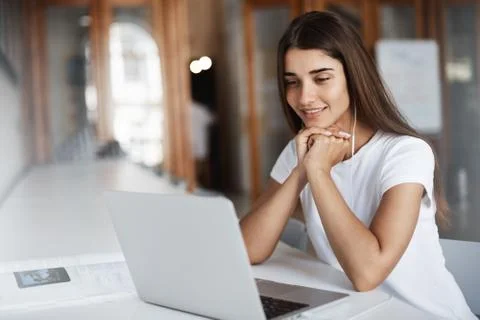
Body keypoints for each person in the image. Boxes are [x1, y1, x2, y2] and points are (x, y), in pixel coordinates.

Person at [239, 11, 476, 319]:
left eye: (321, 78)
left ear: (353, 76)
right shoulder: (301, 149)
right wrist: (301, 171)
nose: (304, 97)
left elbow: (367, 273)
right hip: (359, 312)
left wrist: (319, 172)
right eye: (292, 82)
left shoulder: (406, 152)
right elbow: (247, 251)